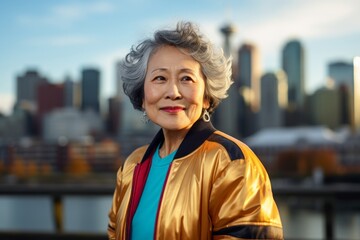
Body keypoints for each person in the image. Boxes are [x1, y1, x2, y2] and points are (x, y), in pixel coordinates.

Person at [108, 21, 283, 240]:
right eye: (160, 78)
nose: (173, 92)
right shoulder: (132, 165)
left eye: (186, 79)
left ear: (207, 97)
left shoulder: (231, 162)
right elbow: (115, 231)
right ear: (142, 97)